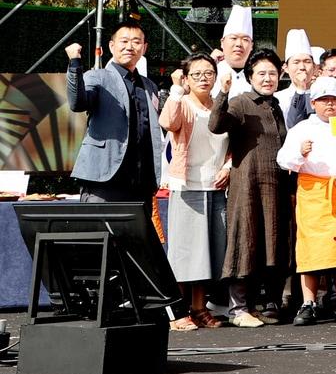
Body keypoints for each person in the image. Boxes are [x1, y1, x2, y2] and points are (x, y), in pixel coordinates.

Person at [210, 47, 290, 328]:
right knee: (245, 238)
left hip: (276, 186)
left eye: (273, 73)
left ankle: (262, 303)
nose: (268, 78)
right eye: (261, 73)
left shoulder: (276, 105)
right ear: (250, 77)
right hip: (248, 185)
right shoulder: (241, 102)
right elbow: (216, 125)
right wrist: (222, 93)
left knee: (271, 242)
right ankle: (239, 308)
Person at [159, 52, 231, 330]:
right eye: (197, 74)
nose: (204, 78)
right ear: (187, 78)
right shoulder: (182, 102)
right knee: (183, 252)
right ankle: (177, 312)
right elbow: (168, 122)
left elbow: (232, 143)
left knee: (208, 252)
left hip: (214, 186)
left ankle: (200, 309)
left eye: (208, 73)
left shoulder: (220, 105)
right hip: (187, 185)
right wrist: (176, 90)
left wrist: (229, 166)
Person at [277, 76, 336, 326]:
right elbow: (283, 160)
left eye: (334, 99)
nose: (330, 105)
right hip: (313, 192)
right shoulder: (302, 129)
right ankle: (308, 303)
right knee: (310, 250)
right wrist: (300, 152)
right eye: (323, 100)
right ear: (313, 102)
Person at [66, 19, 162, 210]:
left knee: (136, 239)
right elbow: (77, 103)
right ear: (111, 46)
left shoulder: (149, 86)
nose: (130, 47)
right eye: (124, 41)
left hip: (141, 180)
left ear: (144, 48)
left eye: (136, 42)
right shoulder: (98, 77)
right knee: (100, 236)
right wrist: (75, 63)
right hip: (104, 178)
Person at [278, 29, 317, 129]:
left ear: (315, 67)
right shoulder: (277, 98)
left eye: (307, 61)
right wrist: (300, 89)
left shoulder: (322, 95)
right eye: (296, 62)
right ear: (286, 68)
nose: (302, 67)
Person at [219, 4, 256, 98]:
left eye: (245, 39)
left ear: (251, 45)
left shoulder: (258, 75)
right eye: (234, 38)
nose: (239, 44)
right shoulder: (211, 73)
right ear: (222, 42)